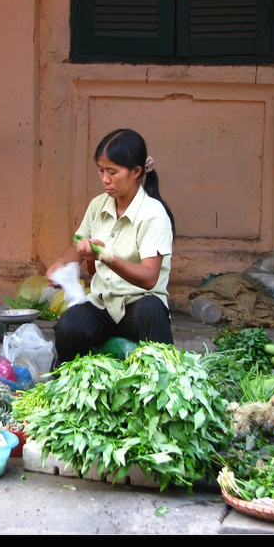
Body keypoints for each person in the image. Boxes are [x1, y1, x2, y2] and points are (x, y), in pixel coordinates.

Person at [46, 128, 175, 367]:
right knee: (70, 325)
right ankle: (66, 387)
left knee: (151, 309)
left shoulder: (153, 214)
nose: (105, 179)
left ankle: (164, 386)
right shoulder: (98, 205)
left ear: (136, 172)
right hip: (103, 304)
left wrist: (105, 256)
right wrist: (61, 263)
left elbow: (149, 278)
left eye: (112, 172)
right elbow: (78, 243)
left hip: (138, 306)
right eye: (101, 170)